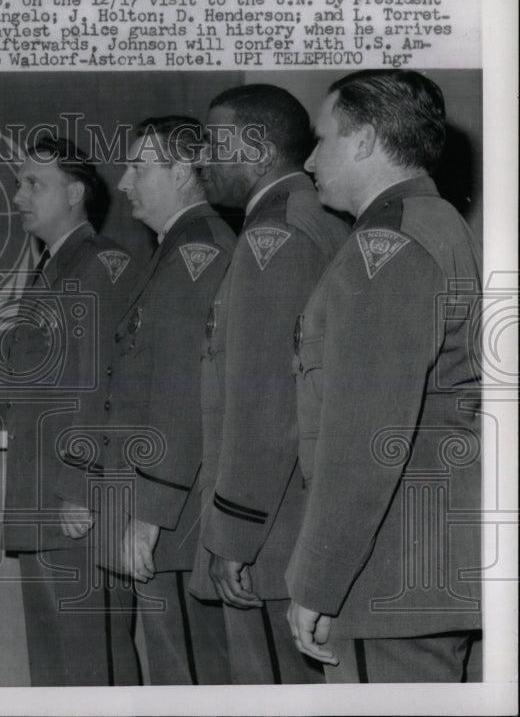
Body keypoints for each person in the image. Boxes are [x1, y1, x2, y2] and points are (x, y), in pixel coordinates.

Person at [286, 70, 483, 682]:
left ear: (366, 139)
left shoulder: (388, 245)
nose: (312, 159)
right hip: (418, 567)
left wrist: (318, 581)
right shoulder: (434, 223)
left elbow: (364, 438)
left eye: (323, 139)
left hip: (384, 578)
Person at [187, 84, 350, 684]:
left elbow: (265, 407)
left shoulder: (270, 237)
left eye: (211, 143)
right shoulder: (319, 220)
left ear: (254, 152)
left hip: (272, 538)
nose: (200, 159)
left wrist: (233, 536)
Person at [67, 117, 235, 685]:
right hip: (158, 504)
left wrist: (151, 513)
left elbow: (183, 393)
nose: (124, 181)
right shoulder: (175, 250)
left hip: (175, 514)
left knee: (190, 675)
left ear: (185, 171)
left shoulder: (198, 253)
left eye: (140, 166)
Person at [1, 136, 140, 686]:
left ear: (77, 193)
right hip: (45, 502)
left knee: (92, 668)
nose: (18, 196)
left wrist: (81, 486)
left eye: (34, 183)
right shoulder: (54, 268)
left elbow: (106, 387)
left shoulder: (101, 267)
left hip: (77, 503)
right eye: (18, 183)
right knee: (57, 670)